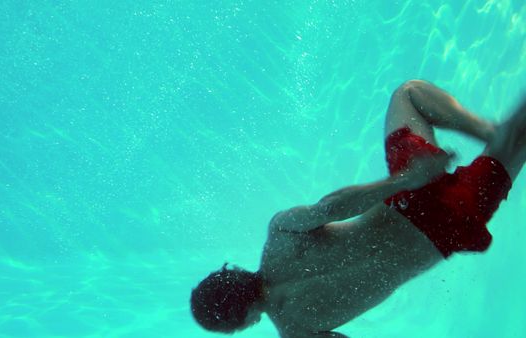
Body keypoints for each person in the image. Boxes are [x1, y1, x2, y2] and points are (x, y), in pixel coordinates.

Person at [190, 80, 526, 338]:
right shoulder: (280, 235)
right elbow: (333, 207)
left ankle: (502, 137)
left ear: (236, 324)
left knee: (519, 141)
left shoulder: (298, 333)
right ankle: (491, 132)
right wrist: (406, 180)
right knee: (410, 94)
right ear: (230, 274)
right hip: (410, 197)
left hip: (447, 231)